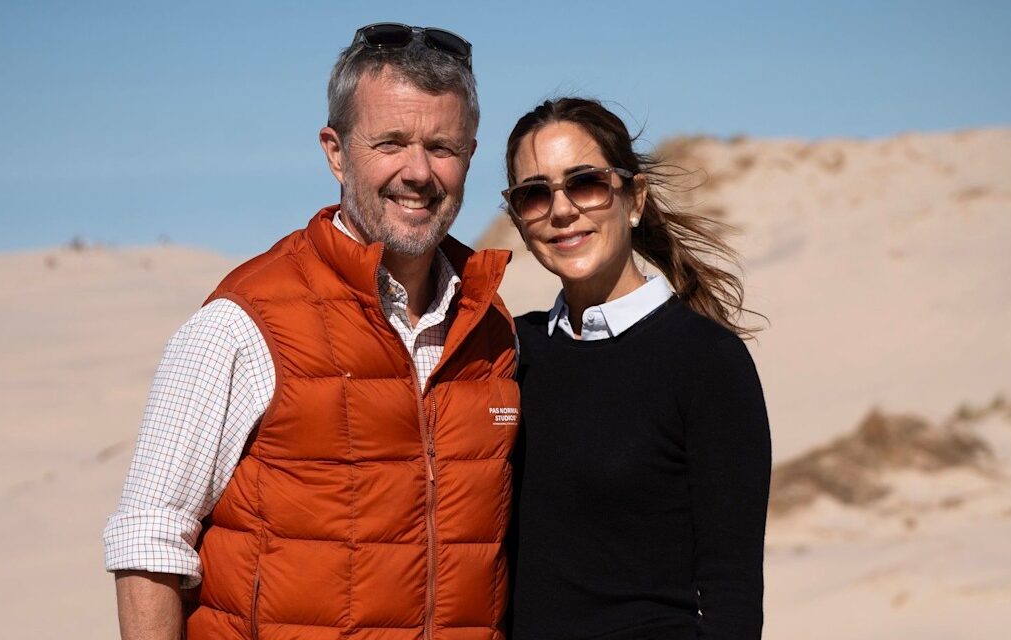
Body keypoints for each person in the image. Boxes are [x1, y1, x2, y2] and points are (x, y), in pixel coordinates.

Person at [103, 23, 520, 640]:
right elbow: (150, 535)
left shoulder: (492, 328)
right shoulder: (243, 322)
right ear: (335, 151)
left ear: (470, 157)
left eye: (442, 147)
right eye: (390, 143)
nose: (418, 172)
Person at [502, 98, 771, 640]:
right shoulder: (506, 351)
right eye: (535, 193)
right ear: (519, 220)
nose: (561, 210)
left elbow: (733, 595)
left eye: (585, 183)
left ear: (634, 199)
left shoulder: (707, 361)